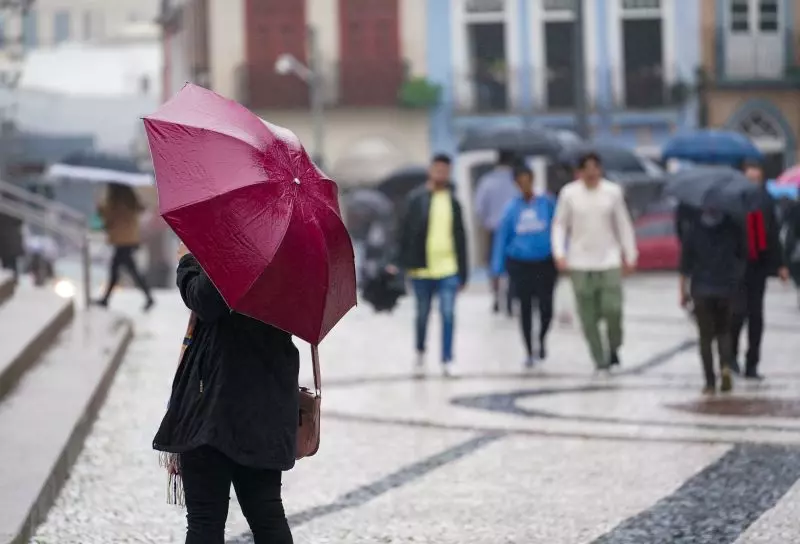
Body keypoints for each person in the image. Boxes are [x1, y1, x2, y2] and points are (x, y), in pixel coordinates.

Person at [153, 243, 297, 544]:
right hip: (267, 397)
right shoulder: (291, 248)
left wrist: (189, 261)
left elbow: (205, 301)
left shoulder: (237, 241)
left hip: (215, 402)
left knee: (206, 520)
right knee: (267, 515)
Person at [551, 152, 638, 373]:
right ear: (579, 172)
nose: (591, 173)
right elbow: (560, 225)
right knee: (588, 316)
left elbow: (623, 224)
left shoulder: (612, 192)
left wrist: (630, 254)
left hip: (608, 259)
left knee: (613, 309)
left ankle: (614, 346)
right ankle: (600, 360)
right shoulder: (569, 194)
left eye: (595, 168)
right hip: (580, 262)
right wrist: (559, 252)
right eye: (586, 169)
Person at [389, 153, 468, 377]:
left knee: (448, 313)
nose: (441, 173)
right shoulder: (416, 199)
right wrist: (398, 262)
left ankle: (448, 359)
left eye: (445, 170)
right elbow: (403, 232)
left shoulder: (454, 202)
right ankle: (420, 352)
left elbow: (462, 239)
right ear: (430, 170)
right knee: (422, 315)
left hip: (448, 269)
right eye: (437, 169)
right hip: (422, 269)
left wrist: (464, 272)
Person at [491, 166, 557, 367]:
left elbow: (558, 228)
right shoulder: (511, 209)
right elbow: (503, 238)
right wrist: (497, 267)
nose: (524, 184)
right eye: (520, 181)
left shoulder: (546, 203)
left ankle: (542, 338)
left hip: (545, 262)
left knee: (546, 307)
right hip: (520, 264)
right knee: (525, 308)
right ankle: (528, 349)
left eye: (527, 179)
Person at [730, 161, 789, 379]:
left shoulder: (766, 202)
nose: (753, 183)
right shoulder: (734, 201)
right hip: (737, 266)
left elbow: (773, 234)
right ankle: (731, 357)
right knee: (737, 314)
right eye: (750, 178)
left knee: (756, 316)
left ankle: (752, 363)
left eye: (757, 179)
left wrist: (780, 264)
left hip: (758, 266)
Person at [679, 208, 745, 394]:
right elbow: (742, 255)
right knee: (724, 331)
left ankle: (709, 381)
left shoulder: (693, 229)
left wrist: (682, 291)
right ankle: (725, 365)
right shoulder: (733, 228)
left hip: (701, 289)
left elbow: (685, 264)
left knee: (705, 337)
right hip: (726, 288)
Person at [475, 150, 521, 315]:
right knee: (514, 264)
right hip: (516, 230)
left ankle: (496, 297)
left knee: (494, 265)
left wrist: (486, 221)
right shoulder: (516, 181)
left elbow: (479, 208)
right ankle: (511, 297)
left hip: (494, 229)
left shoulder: (487, 181)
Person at [96, 183, 155, 311]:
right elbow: (142, 208)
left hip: (121, 242)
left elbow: (108, 218)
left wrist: (100, 206)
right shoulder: (130, 200)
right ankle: (148, 297)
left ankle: (106, 299)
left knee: (118, 270)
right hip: (130, 240)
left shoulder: (115, 202)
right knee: (128, 270)